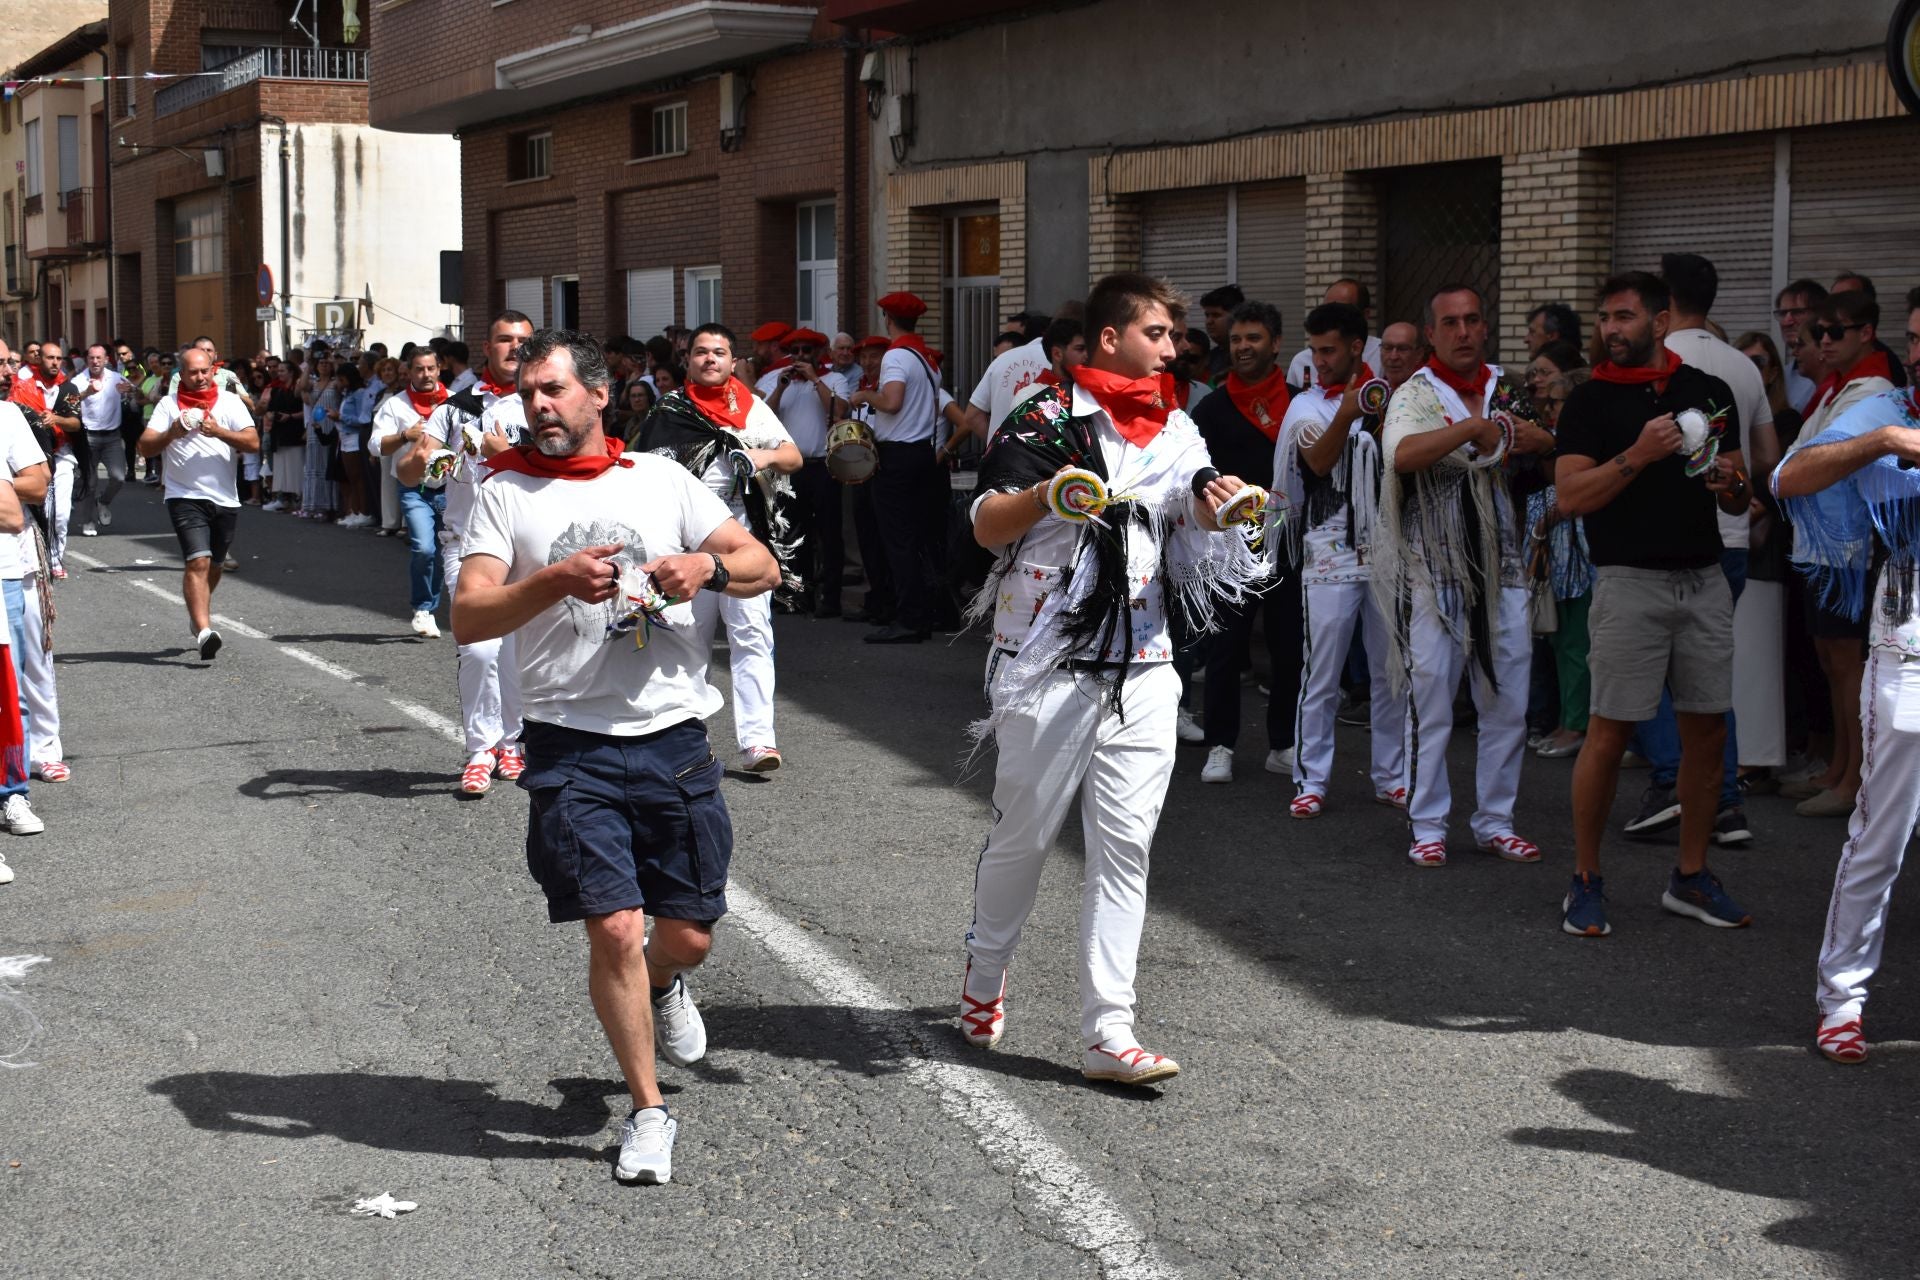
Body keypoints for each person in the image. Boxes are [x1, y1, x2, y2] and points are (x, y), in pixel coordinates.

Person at [454, 327, 778, 1184]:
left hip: (672, 737)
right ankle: (648, 1110)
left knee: (687, 938)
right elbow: (470, 616)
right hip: (569, 744)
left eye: (554, 391)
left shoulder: (661, 479)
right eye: (528, 395)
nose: (538, 407)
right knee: (614, 926)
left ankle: (668, 985)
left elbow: (764, 565)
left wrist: (705, 567)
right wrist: (552, 582)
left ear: (601, 395)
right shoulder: (504, 492)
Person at [960, 272, 1267, 1085]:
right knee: (1024, 838)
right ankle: (985, 975)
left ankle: (1109, 1031)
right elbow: (987, 525)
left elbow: (1189, 504)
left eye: (1172, 337)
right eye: (1159, 333)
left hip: (1145, 664)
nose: (1174, 348)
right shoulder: (1045, 417)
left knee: (1125, 850)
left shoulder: (1174, 426)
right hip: (1046, 664)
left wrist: (1223, 505)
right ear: (1110, 339)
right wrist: (1045, 497)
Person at [1550, 271, 1752, 937]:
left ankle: (1690, 877)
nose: (1612, 328)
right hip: (1628, 582)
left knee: (1708, 731)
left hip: (1703, 578)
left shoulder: (1708, 391)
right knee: (1608, 735)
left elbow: (1736, 491)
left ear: (1661, 321)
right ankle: (1585, 878)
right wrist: (1637, 455)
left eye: (1626, 316)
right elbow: (1572, 498)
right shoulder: (1588, 401)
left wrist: (1729, 484)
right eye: (1606, 316)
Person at [1773, 293, 1920, 1061]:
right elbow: (1790, 478)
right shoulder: (1886, 409)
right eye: (1916, 339)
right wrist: (1886, 441)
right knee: (1883, 831)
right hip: (1909, 639)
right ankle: (1843, 999)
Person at [1373, 284, 1555, 868]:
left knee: (1508, 700)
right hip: (1435, 567)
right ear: (1433, 333)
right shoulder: (1416, 393)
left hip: (1503, 567)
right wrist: (1473, 431)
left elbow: (1548, 443)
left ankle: (1495, 821)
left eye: (1472, 320)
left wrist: (1526, 436)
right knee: (1433, 700)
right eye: (1449, 322)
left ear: (1484, 325)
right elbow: (1400, 454)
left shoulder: (1507, 387)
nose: (1463, 332)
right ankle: (1427, 824)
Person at [1615, 252, 1772, 847]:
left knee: (1650, 672)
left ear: (1664, 305)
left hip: (1663, 543)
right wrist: (1745, 498)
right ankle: (1724, 802)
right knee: (1708, 681)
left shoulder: (1660, 366)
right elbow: (1768, 457)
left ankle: (1671, 783)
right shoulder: (1744, 368)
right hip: (1729, 541)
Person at [642, 323, 803, 770]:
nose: (709, 358)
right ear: (687, 361)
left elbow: (794, 456)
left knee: (752, 633)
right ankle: (687, 737)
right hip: (687, 539)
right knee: (688, 639)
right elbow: (647, 473)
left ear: (734, 362)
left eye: (719, 352)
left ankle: (758, 742)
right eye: (700, 352)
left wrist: (762, 457)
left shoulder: (752, 408)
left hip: (742, 536)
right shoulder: (668, 409)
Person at [1273, 300, 1408, 811]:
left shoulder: (1396, 396)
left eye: (1329, 350)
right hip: (1329, 551)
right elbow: (1319, 459)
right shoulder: (1307, 404)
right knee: (1322, 670)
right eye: (1313, 350)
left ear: (1356, 347)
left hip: (1390, 549)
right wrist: (1349, 411)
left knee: (1388, 668)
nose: (1319, 360)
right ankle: (1312, 781)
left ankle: (1391, 775)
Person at [398, 311, 536, 795]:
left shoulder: (543, 403)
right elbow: (410, 473)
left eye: (523, 340)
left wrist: (503, 453)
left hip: (523, 544)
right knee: (479, 649)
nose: (514, 348)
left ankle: (513, 744)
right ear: (487, 346)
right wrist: (426, 459)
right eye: (505, 340)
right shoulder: (454, 408)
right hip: (468, 543)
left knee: (517, 653)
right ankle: (480, 748)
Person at [1777, 290, 1900, 821]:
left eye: (1835, 332)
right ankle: (1838, 768)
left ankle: (1855, 779)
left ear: (1866, 333)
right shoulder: (1833, 388)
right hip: (1822, 545)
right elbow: (1798, 456)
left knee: (1849, 667)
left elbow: (1812, 455)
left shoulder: (1874, 388)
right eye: (1818, 332)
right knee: (1831, 663)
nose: (1822, 341)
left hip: (1849, 548)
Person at [1187, 300, 1298, 779]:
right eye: (1235, 339)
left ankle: (1284, 744)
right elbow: (1198, 474)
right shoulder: (1212, 406)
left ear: (1275, 343)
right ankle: (1220, 746)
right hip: (1230, 541)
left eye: (1253, 338)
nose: (1243, 347)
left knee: (1288, 645)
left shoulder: (1299, 402)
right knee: (1226, 647)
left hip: (1287, 535)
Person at [138, 347, 258, 662]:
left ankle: (197, 612)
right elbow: (145, 447)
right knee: (198, 562)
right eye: (193, 372)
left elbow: (253, 442)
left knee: (215, 565)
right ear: (182, 375)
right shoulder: (169, 405)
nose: (201, 377)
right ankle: (204, 631)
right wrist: (172, 432)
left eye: (205, 371)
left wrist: (218, 431)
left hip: (224, 497)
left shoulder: (229, 402)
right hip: (183, 496)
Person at [845, 292, 951, 644]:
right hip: (923, 454)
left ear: (888, 318)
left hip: (897, 457)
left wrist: (863, 397)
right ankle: (922, 615)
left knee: (898, 541)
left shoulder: (895, 357)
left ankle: (908, 619)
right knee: (917, 539)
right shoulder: (928, 360)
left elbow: (891, 402)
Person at [1527, 369, 1596, 760]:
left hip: (1580, 555)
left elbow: (1574, 495)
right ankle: (1566, 721)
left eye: (1556, 402)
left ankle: (1577, 726)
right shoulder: (1561, 440)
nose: (1548, 409)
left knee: (1575, 645)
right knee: (1559, 639)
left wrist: (1546, 521)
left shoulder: (1585, 441)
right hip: (1558, 552)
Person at [755, 327, 846, 618]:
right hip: (791, 469)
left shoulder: (834, 379)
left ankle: (830, 600)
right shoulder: (779, 382)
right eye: (796, 352)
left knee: (829, 534)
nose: (800, 357)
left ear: (818, 354)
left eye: (807, 351)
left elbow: (840, 408)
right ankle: (799, 596)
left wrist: (814, 379)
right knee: (794, 535)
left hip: (824, 466)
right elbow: (763, 418)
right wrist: (781, 387)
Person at [0, 338, 52, 843]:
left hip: (6, 572)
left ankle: (14, 792)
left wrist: (6, 489)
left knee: (9, 692)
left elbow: (35, 487)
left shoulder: (10, 417)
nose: (5, 369)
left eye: (7, 361)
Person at [372, 349, 450, 637]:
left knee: (444, 552)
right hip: (413, 488)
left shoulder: (454, 401)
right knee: (423, 547)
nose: (426, 374)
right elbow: (376, 445)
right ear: (410, 372)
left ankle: (432, 606)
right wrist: (406, 436)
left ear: (439, 369)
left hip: (450, 487)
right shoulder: (396, 406)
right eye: (419, 369)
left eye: (431, 368)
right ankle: (423, 607)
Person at [70, 343, 129, 533]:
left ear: (106, 360)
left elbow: (136, 390)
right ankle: (88, 521)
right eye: (92, 358)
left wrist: (130, 390)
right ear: (87, 360)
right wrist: (87, 392)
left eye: (99, 358)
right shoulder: (80, 380)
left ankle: (103, 502)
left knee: (119, 476)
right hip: (88, 436)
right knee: (90, 481)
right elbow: (70, 401)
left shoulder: (116, 378)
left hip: (112, 436)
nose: (95, 361)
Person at [1286, 280, 1383, 388]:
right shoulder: (1300, 361)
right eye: (1326, 310)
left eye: (1342, 312)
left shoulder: (1385, 354)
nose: (1318, 363)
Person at [1774, 279, 1828, 413]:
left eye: (1797, 312)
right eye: (1782, 314)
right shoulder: (1782, 376)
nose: (1787, 322)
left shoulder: (1838, 373)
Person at [334, 364, 375, 528]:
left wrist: (341, 417)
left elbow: (361, 418)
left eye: (342, 379)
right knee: (351, 477)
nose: (340, 382)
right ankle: (355, 511)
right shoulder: (347, 393)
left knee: (359, 478)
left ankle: (364, 512)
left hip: (354, 437)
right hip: (344, 437)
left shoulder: (360, 394)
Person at [1198, 285, 1244, 378]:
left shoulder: (1247, 355)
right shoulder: (1211, 357)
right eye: (1207, 315)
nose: (1209, 321)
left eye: (1216, 315)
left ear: (1235, 317)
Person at [1377, 322, 1425, 388]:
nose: (1393, 357)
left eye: (1403, 349)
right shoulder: (1377, 389)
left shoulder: (1430, 391)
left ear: (1419, 354)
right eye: (1387, 348)